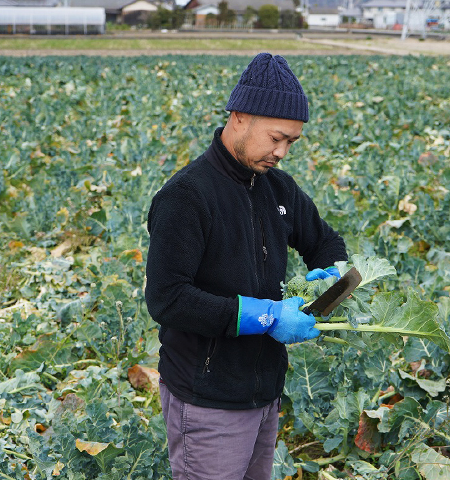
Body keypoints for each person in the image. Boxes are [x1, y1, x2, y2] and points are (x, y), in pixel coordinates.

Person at [144, 52, 348, 480]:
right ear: (239, 116)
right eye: (277, 138)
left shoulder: (276, 186)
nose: (282, 152)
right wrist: (266, 316)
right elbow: (168, 299)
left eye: (292, 142)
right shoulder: (187, 196)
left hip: (265, 389)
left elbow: (325, 240)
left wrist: (332, 273)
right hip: (207, 397)